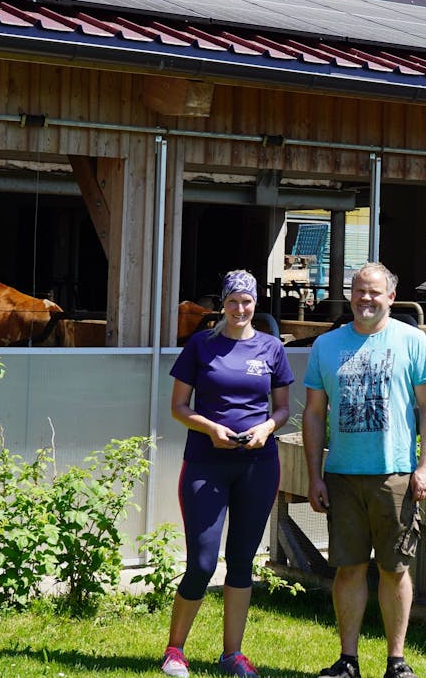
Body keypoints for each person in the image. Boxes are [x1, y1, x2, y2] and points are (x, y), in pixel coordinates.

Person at [303, 262, 426, 678]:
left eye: (375, 292)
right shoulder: (326, 346)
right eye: (359, 291)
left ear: (391, 297)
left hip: (395, 475)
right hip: (343, 475)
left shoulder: (412, 341)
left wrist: (425, 467)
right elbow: (313, 414)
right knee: (348, 568)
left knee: (394, 569)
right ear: (350, 295)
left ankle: (396, 662)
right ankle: (348, 661)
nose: (366, 298)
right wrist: (314, 475)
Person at [161, 270, 293, 678]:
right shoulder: (202, 345)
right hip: (206, 463)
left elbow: (283, 409)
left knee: (241, 560)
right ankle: (174, 651)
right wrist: (211, 429)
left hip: (258, 465)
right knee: (201, 562)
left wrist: (267, 428)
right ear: (223, 303)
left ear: (256, 305)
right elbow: (178, 407)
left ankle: (232, 655)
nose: (240, 309)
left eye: (247, 302)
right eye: (233, 301)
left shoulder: (272, 348)